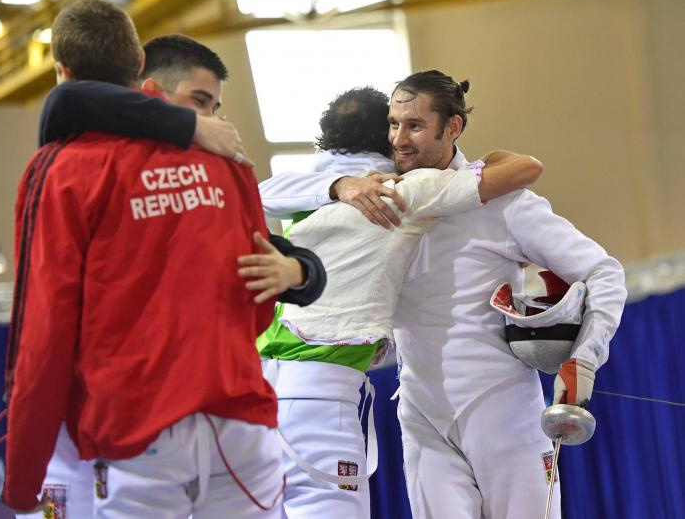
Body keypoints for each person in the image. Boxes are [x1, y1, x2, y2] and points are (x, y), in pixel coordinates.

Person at [257, 70, 627, 519]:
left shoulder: (503, 201)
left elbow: (603, 272)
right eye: (393, 125)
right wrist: (339, 185)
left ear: (452, 127)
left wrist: (585, 358)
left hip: (502, 408)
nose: (399, 139)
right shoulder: (377, 195)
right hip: (420, 414)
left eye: (414, 126)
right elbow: (264, 192)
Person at [2, 0, 289, 517]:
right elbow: (258, 303)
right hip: (240, 419)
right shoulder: (225, 156)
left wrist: (23, 479)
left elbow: (44, 331)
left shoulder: (62, 168)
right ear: (138, 64)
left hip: (137, 427)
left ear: (61, 70)